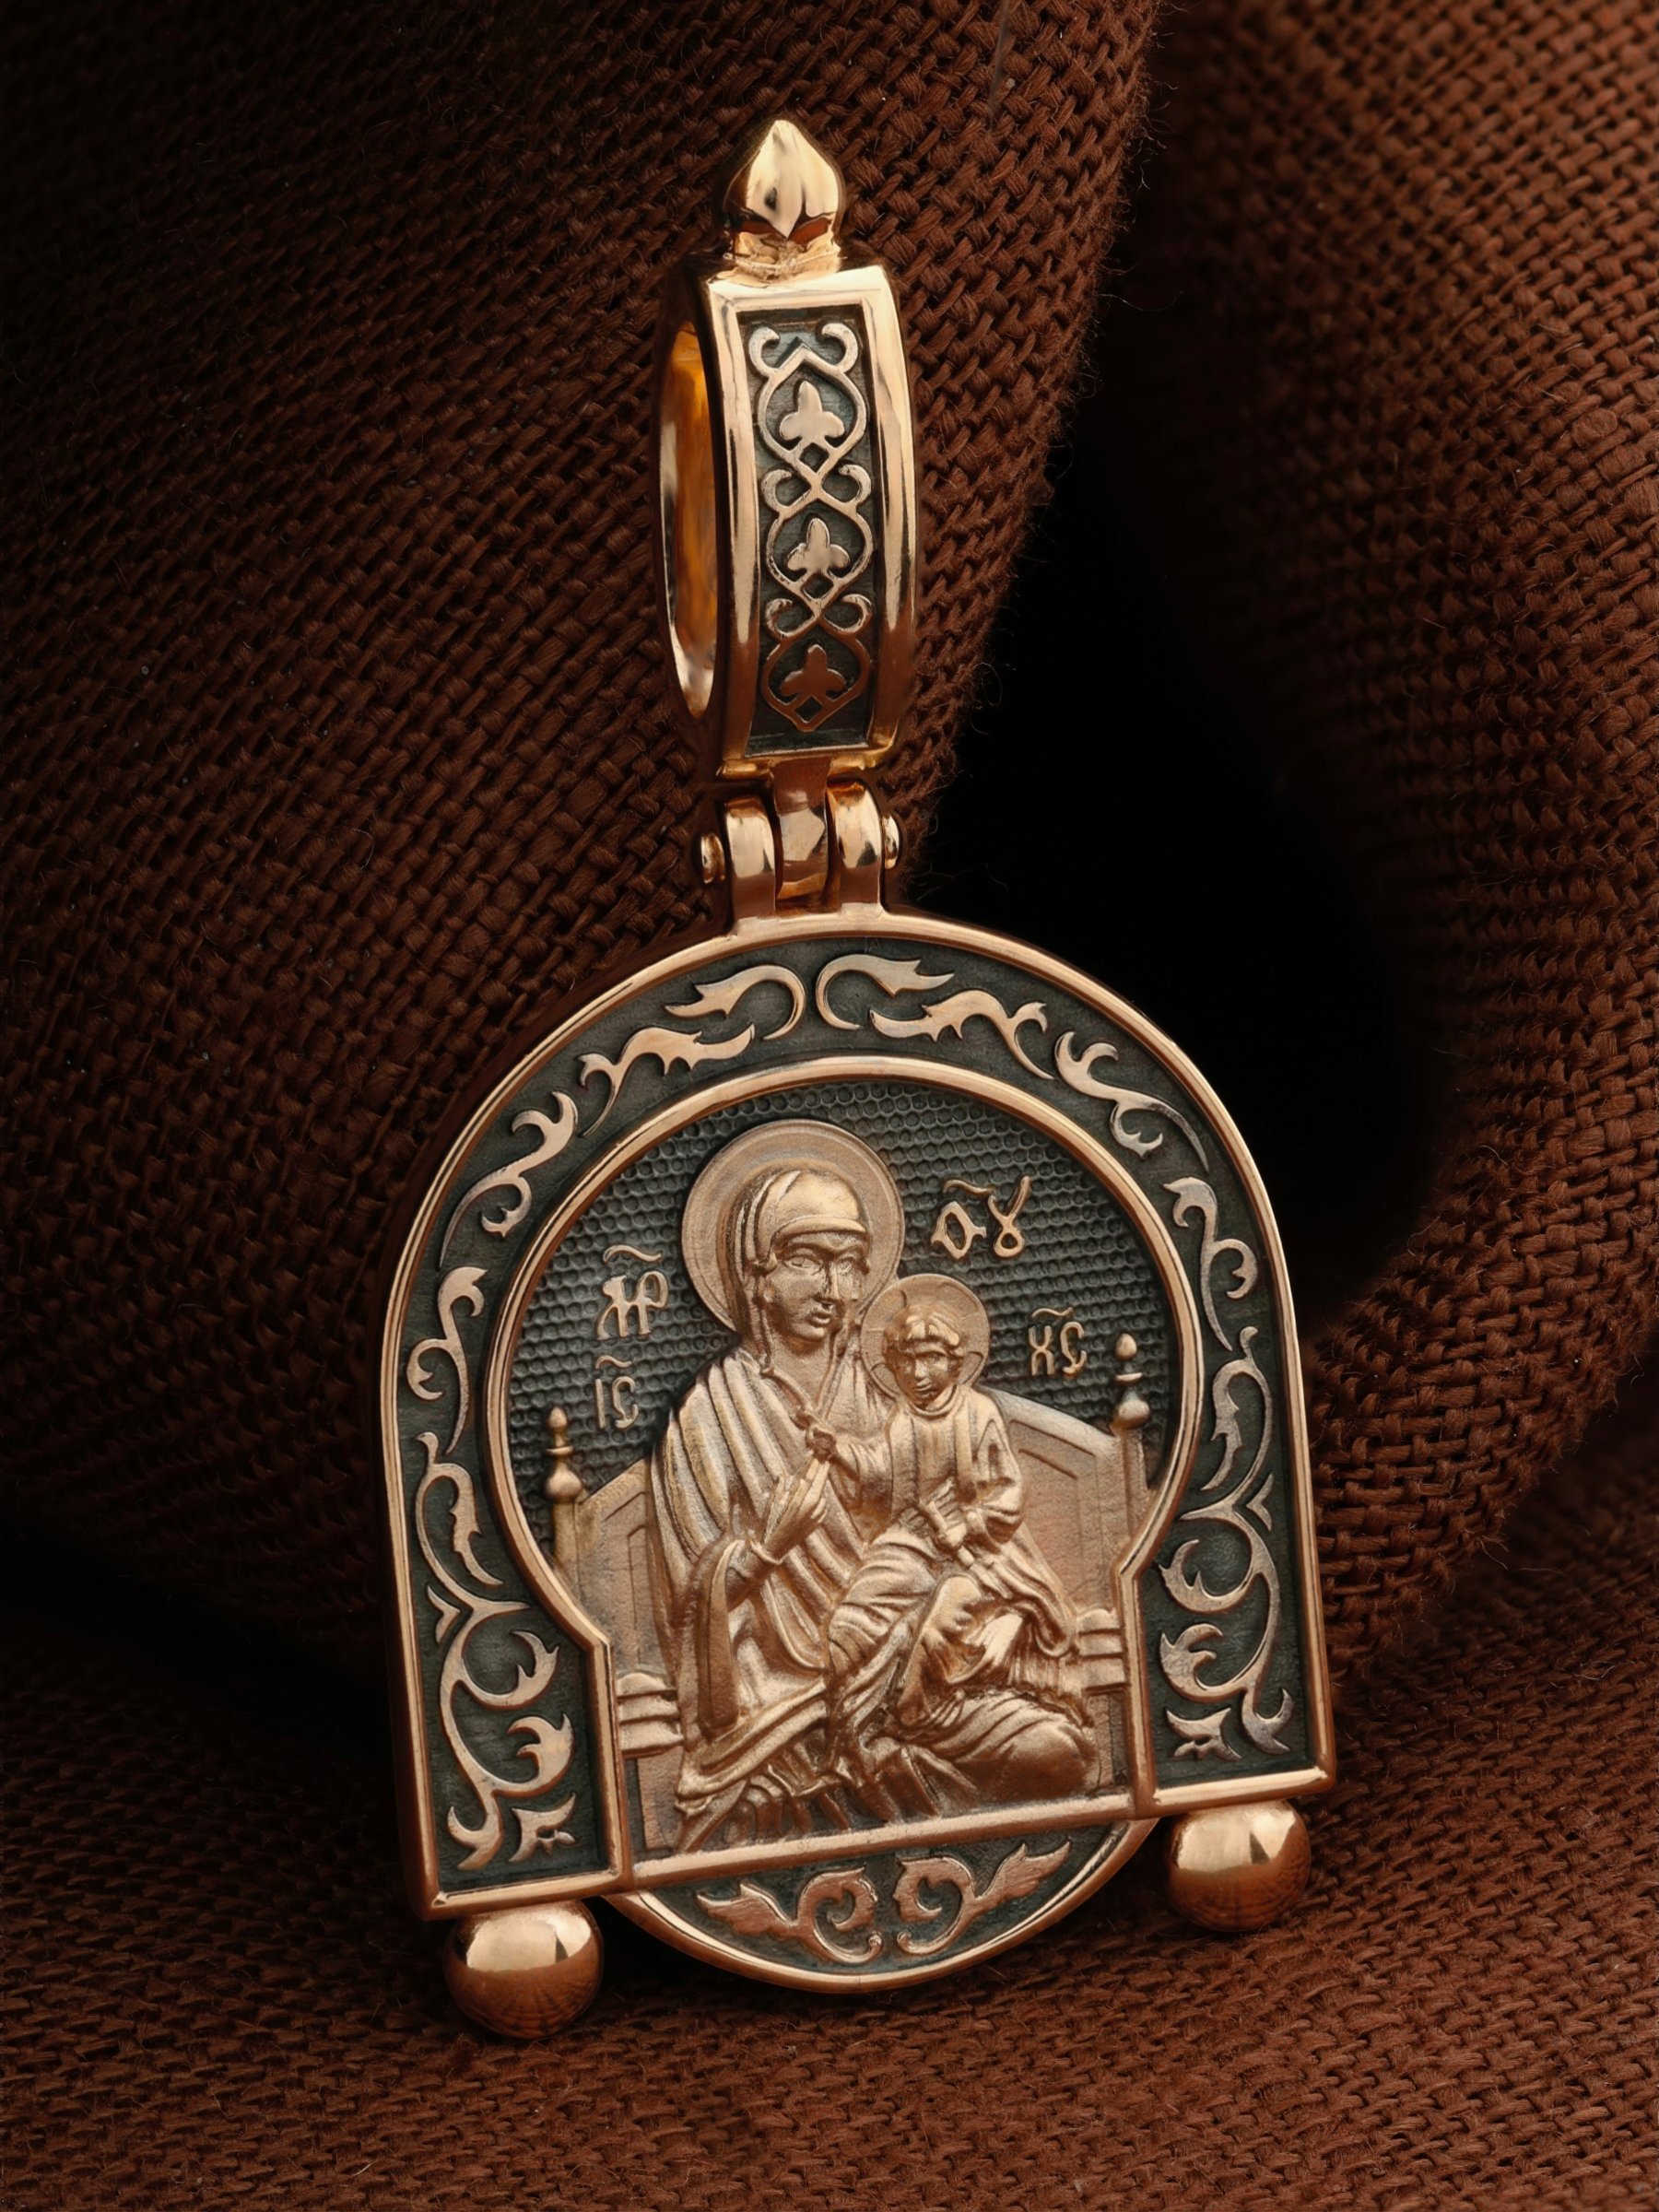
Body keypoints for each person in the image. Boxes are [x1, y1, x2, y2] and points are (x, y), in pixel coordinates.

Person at [648, 1137, 897, 1849]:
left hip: (900, 1668)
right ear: (757, 1275)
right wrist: (765, 1550)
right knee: (757, 1812)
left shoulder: (886, 1391)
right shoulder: (710, 1414)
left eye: (850, 1264)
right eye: (808, 1261)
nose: (834, 1289)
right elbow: (688, 1605)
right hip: (774, 1703)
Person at [809, 1290, 1097, 1819]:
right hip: (912, 1542)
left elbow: (1009, 1490)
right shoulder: (901, 1418)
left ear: (956, 1361)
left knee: (945, 1615)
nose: (918, 1374)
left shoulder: (978, 1413)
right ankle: (856, 1731)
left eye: (931, 1359)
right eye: (905, 1362)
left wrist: (966, 1524)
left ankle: (918, 1716)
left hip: (981, 1552)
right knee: (848, 1624)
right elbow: (880, 1473)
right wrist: (839, 1450)